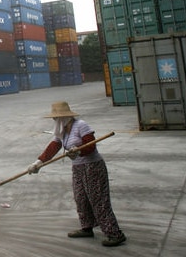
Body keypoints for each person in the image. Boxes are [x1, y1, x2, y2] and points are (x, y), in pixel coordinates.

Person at [27, 101, 126, 247]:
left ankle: (115, 233)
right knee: (81, 198)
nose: (55, 120)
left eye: (56, 118)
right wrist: (38, 163)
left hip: (93, 167)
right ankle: (87, 228)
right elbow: (53, 147)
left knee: (98, 200)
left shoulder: (81, 125)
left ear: (64, 117)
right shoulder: (61, 132)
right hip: (78, 168)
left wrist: (78, 150)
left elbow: (90, 145)